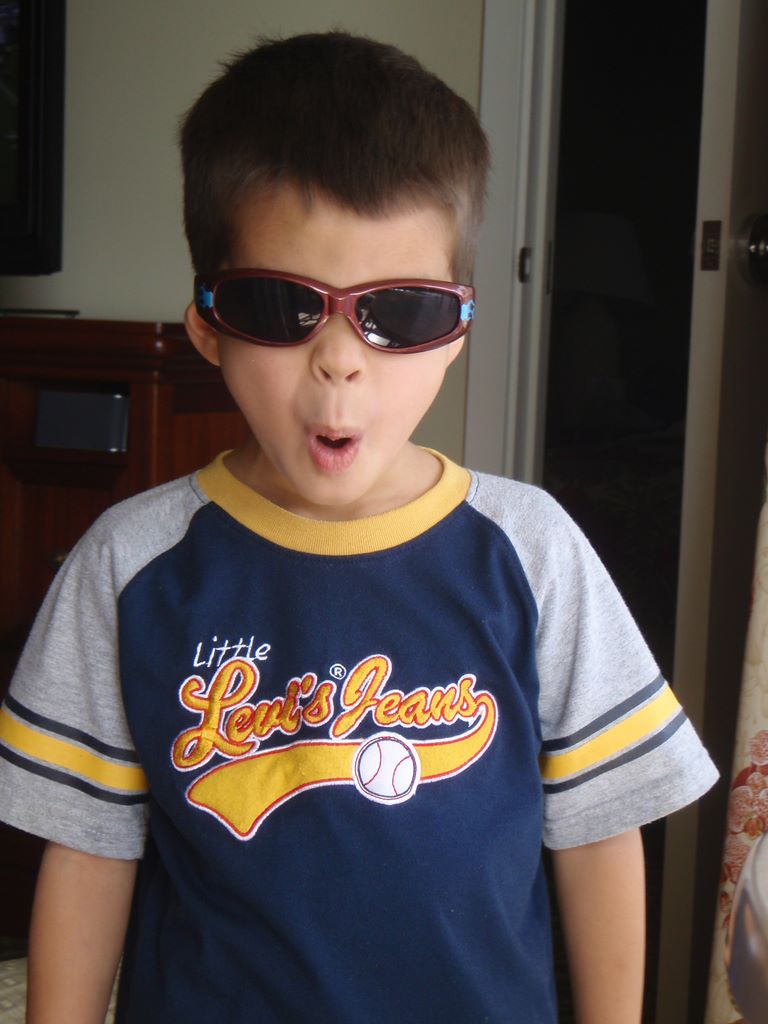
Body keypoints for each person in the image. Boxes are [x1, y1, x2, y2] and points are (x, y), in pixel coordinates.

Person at [0, 31, 717, 1024]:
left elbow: (600, 831)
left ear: (457, 332)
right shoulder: (128, 567)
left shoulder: (531, 551)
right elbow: (87, 856)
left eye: (402, 313)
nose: (339, 361)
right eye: (279, 305)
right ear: (206, 324)